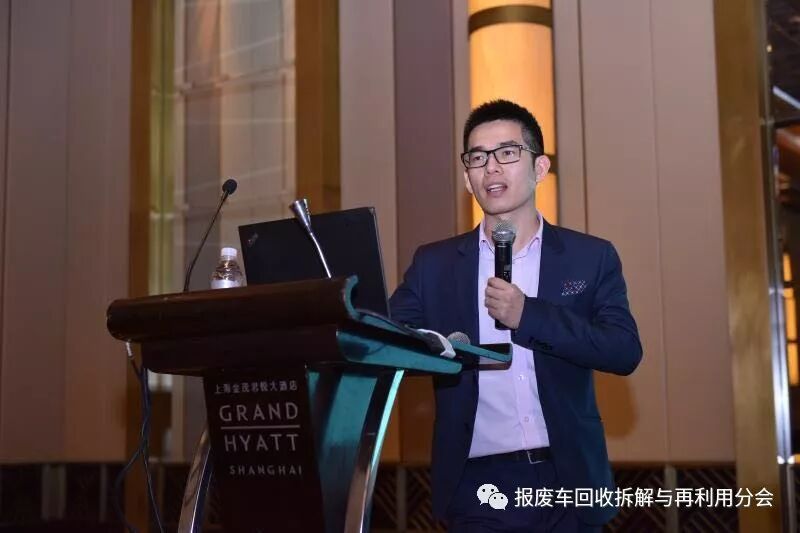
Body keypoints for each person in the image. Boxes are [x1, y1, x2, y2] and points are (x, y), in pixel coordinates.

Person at [389, 99, 642, 532]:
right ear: (467, 177)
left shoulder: (589, 257)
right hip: (479, 483)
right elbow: (387, 339)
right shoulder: (435, 266)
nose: (491, 167)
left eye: (507, 153)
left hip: (570, 481)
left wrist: (531, 316)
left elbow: (623, 350)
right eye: (477, 157)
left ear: (540, 168)